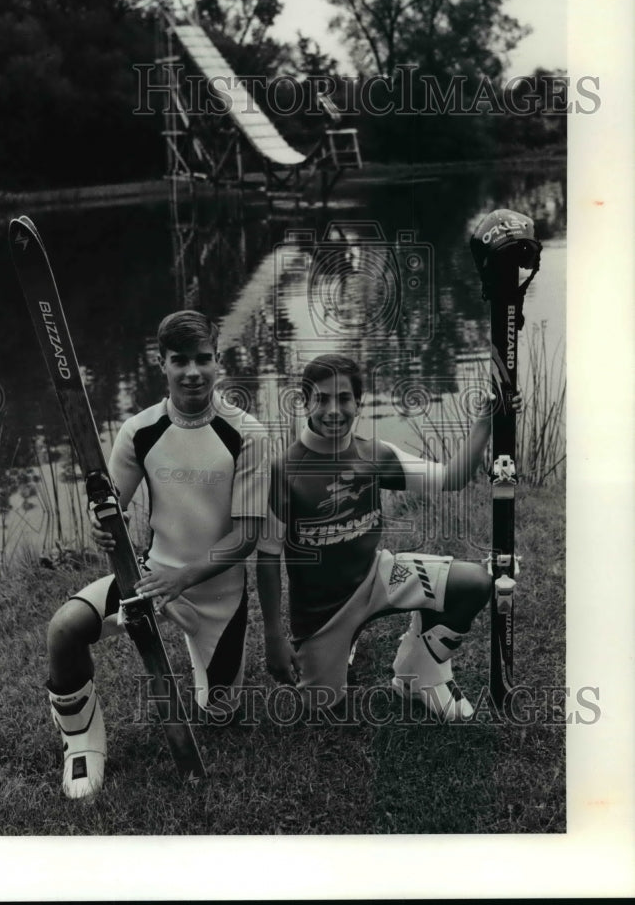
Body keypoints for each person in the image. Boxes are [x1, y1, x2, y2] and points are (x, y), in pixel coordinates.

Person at [46, 311, 269, 798]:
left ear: (218, 360)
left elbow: (247, 536)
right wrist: (106, 529)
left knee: (220, 717)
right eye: (180, 360)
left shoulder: (247, 433)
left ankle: (208, 677)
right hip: (150, 577)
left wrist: (183, 580)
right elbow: (112, 508)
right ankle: (83, 744)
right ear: (160, 363)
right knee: (64, 628)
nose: (193, 372)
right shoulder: (139, 430)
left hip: (219, 597)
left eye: (203, 359)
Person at [256, 353, 518, 723]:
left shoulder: (375, 454)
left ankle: (418, 672)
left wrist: (486, 421)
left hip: (377, 578)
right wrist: (273, 636)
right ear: (304, 402)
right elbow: (267, 557)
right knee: (322, 710)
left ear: (358, 402)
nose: (334, 410)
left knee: (474, 582)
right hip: (322, 614)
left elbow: (453, 478)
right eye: (322, 398)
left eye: (344, 398)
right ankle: (342, 641)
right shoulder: (284, 470)